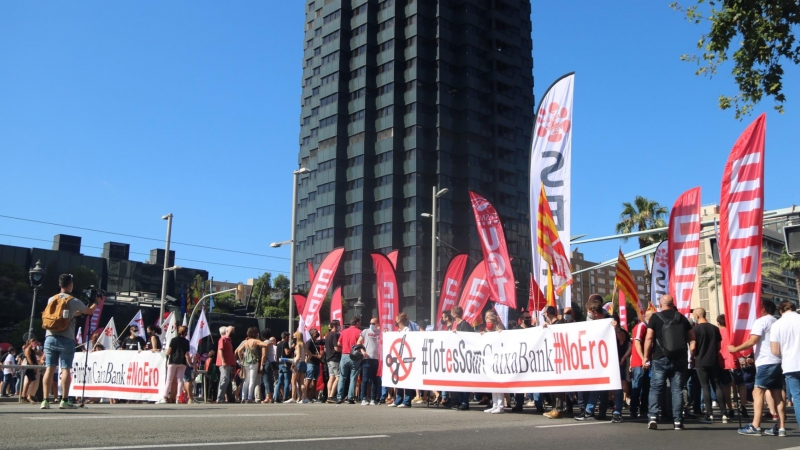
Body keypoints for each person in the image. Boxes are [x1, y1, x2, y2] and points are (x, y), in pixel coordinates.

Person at [728, 299, 785, 436]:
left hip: (766, 362)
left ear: (763, 309)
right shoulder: (777, 322)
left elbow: (752, 340)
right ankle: (781, 427)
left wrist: (735, 349)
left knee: (757, 392)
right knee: (777, 394)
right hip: (778, 361)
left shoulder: (761, 321)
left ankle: (755, 426)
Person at [41, 274, 97, 409]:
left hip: (49, 336)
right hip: (66, 338)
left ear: (60, 285)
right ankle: (64, 400)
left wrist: (74, 313)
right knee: (66, 368)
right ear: (70, 285)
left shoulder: (51, 299)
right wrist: (97, 301)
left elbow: (59, 315)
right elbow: (89, 311)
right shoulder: (74, 301)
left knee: (50, 368)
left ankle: (45, 400)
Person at [643, 294, 696, 430]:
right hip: (680, 359)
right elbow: (692, 339)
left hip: (660, 358)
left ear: (661, 304)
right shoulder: (681, 318)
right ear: (673, 304)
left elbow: (649, 338)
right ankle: (678, 421)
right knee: (677, 390)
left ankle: (653, 417)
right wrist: (692, 355)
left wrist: (646, 356)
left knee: (656, 388)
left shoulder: (655, 317)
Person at [691, 307, 726, 424]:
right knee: (717, 385)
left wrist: (693, 356)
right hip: (713, 360)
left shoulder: (695, 330)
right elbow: (719, 346)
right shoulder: (715, 329)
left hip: (701, 361)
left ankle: (709, 414)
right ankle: (724, 413)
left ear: (697, 316)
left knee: (705, 387)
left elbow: (693, 347)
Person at [771, 300, 800, 436]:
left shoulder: (777, 325)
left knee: (797, 398)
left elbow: (775, 350)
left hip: (791, 364)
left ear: (780, 311)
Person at [717, 314, 747, 420]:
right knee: (741, 384)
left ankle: (730, 409)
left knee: (726, 386)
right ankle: (743, 405)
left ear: (718, 323)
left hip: (723, 362)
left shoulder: (718, 332)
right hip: (735, 360)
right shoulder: (733, 332)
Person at [236, 326, 271, 404]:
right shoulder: (255, 341)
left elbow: (238, 351)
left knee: (246, 380)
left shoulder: (246, 342)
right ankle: (249, 397)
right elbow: (265, 345)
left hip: (245, 363)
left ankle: (243, 397)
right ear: (256, 334)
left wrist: (241, 360)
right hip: (254, 362)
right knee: (252, 380)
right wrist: (270, 342)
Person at [629, 310, 652, 419]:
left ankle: (643, 409)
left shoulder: (648, 327)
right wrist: (643, 359)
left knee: (646, 387)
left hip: (646, 362)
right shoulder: (641, 326)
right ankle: (633, 410)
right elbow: (636, 342)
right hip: (639, 362)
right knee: (637, 387)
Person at [160, 325, 191, 404]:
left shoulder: (173, 340)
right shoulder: (187, 342)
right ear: (186, 333)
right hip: (182, 362)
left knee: (169, 380)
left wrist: (166, 352)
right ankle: (178, 398)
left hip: (173, 361)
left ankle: (165, 397)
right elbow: (187, 354)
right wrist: (190, 363)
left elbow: (169, 352)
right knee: (180, 380)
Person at [481, 309, 505, 414]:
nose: (488, 323)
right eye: (487, 321)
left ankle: (500, 405)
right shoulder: (487, 331)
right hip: (490, 360)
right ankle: (494, 404)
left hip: (498, 359)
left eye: (489, 321)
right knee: (493, 384)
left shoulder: (499, 328)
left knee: (499, 383)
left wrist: (501, 333)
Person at [337, 316, 363, 404]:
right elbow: (361, 344)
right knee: (353, 378)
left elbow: (338, 343)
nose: (360, 324)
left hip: (344, 355)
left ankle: (339, 397)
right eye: (359, 322)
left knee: (342, 377)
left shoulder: (344, 332)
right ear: (357, 323)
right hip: (354, 356)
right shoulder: (359, 332)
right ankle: (350, 397)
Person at [358, 319, 381, 406]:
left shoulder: (380, 332)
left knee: (375, 380)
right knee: (365, 379)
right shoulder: (365, 331)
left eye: (373, 323)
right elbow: (359, 342)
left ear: (377, 324)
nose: (371, 324)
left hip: (376, 359)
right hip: (366, 358)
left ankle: (373, 398)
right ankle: (363, 398)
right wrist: (362, 351)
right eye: (370, 323)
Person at [216, 325, 236, 403]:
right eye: (231, 331)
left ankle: (224, 397)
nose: (233, 333)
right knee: (224, 379)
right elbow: (220, 350)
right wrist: (223, 361)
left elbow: (231, 353)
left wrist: (233, 364)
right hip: (223, 363)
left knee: (227, 380)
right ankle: (219, 397)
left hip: (229, 363)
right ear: (227, 331)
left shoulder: (229, 340)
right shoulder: (223, 339)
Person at [21, 339, 43, 403]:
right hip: (29, 367)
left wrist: (39, 346)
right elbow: (29, 359)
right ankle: (24, 396)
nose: (35, 343)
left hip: (32, 366)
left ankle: (25, 396)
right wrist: (33, 367)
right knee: (28, 382)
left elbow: (39, 353)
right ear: (30, 342)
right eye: (34, 342)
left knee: (30, 382)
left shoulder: (32, 350)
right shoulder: (27, 349)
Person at [325, 321, 341, 403]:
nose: (340, 326)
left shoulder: (328, 335)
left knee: (331, 377)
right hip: (335, 358)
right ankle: (331, 396)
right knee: (338, 377)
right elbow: (336, 348)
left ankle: (329, 396)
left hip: (329, 358)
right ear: (335, 325)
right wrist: (343, 349)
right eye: (339, 325)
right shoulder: (334, 334)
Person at [304, 328, 322, 403]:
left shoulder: (316, 342)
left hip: (317, 363)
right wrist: (315, 356)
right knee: (308, 380)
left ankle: (313, 396)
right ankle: (306, 396)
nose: (317, 333)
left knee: (315, 380)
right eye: (315, 332)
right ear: (311, 334)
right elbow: (306, 352)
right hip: (311, 363)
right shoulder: (309, 342)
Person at [260, 329, 277, 404]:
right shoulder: (271, 342)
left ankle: (267, 397)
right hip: (272, 362)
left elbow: (264, 354)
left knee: (266, 380)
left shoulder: (264, 343)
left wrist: (261, 364)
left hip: (267, 362)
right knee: (270, 380)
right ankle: (271, 396)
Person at [276, 331, 293, 403]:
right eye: (288, 337)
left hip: (280, 363)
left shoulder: (279, 344)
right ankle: (285, 397)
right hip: (285, 363)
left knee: (279, 381)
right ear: (286, 337)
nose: (289, 338)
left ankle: (276, 397)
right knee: (286, 381)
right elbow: (287, 352)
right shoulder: (285, 343)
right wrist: (292, 348)